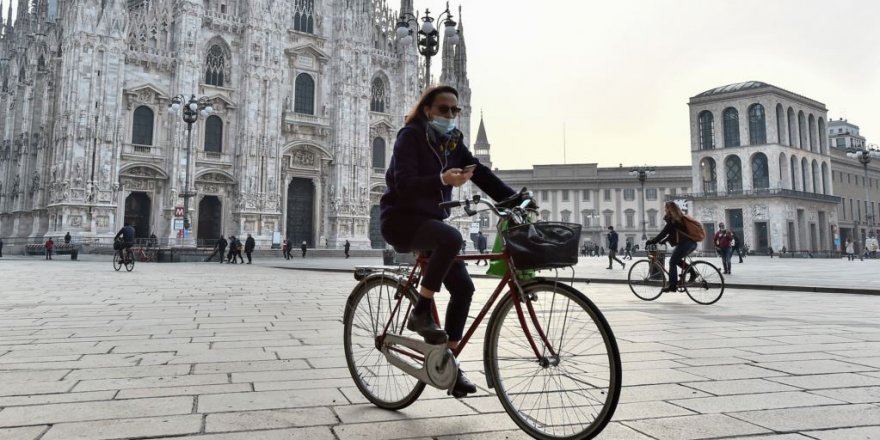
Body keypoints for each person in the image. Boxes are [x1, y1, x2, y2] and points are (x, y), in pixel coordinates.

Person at [379, 85, 517, 398]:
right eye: (444, 109)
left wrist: (515, 198)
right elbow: (404, 184)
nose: (451, 115)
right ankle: (421, 311)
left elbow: (477, 171)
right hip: (401, 220)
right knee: (451, 237)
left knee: (465, 288)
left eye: (455, 110)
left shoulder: (452, 142)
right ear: (427, 109)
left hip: (430, 222)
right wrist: (442, 180)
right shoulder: (410, 136)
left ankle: (448, 364)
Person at [645, 201, 701, 293]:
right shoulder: (679, 219)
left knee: (672, 262)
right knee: (677, 260)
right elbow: (673, 234)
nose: (664, 210)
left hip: (685, 244)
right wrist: (664, 241)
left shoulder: (673, 220)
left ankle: (672, 285)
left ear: (669, 209)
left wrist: (652, 241)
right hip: (691, 243)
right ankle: (692, 273)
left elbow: (664, 233)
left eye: (665, 208)